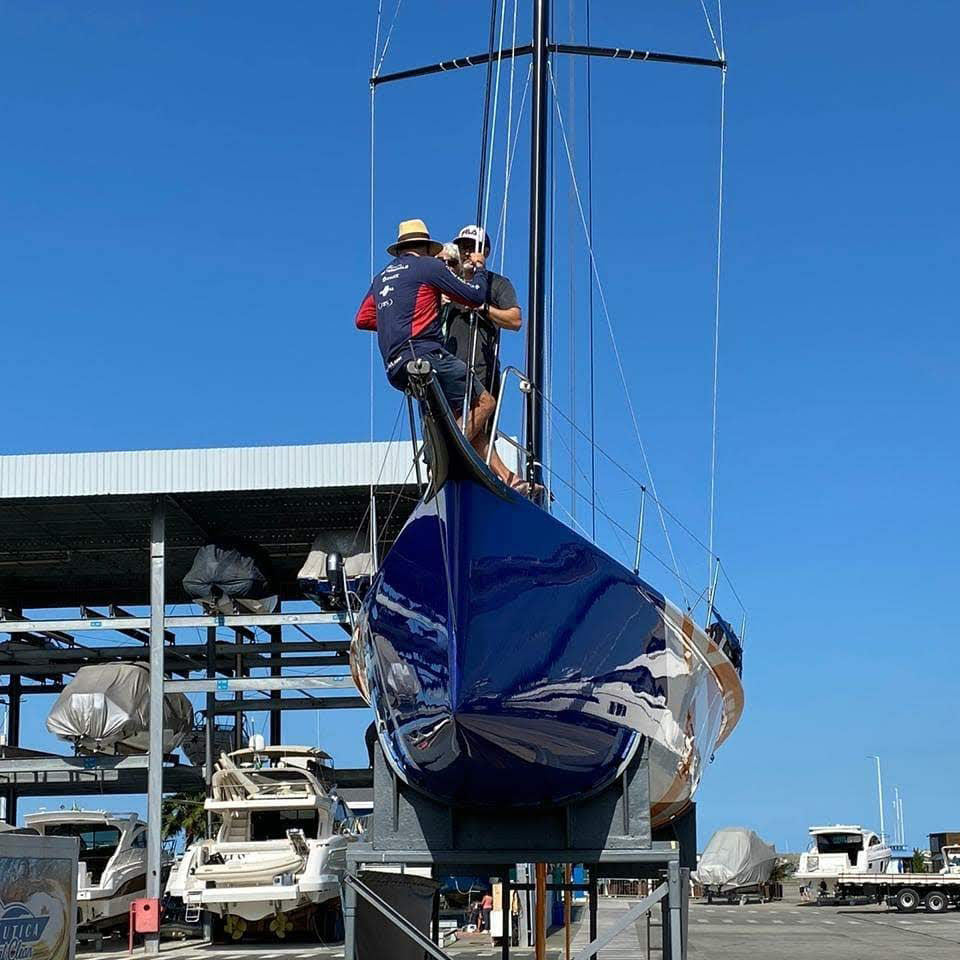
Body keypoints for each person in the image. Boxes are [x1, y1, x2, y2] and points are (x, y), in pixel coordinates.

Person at [356, 219, 521, 488]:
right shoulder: (428, 268)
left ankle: (484, 471)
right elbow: (476, 296)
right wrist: (478, 270)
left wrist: (399, 317)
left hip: (395, 366)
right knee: (485, 404)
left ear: (400, 249)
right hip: (427, 355)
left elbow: (362, 319)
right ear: (426, 247)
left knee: (450, 414)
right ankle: (452, 453)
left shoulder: (381, 277)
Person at [443, 225, 530, 491]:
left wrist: (481, 306)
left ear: (485, 252)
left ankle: (449, 461)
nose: (467, 252)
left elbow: (515, 320)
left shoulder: (497, 283)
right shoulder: (448, 281)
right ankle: (506, 477)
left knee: (478, 420)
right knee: (469, 424)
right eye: (463, 247)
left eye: (473, 247)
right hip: (449, 363)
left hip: (482, 366)